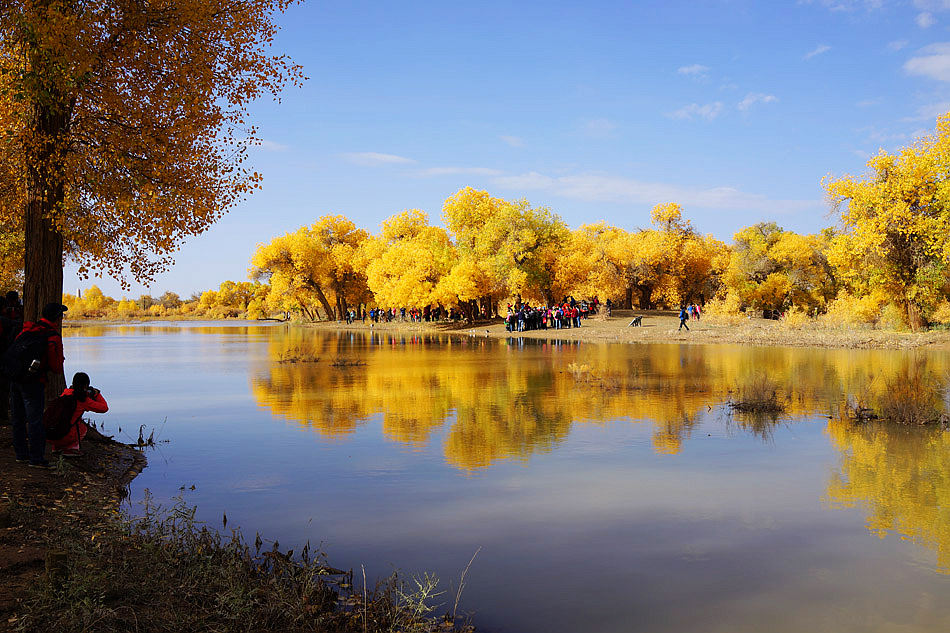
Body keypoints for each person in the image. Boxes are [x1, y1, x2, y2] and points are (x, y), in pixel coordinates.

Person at [9, 302, 67, 468]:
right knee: (35, 421)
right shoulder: (52, 336)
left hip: (15, 379)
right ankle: (37, 459)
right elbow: (57, 368)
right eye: (61, 315)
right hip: (33, 383)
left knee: (18, 419)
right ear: (57, 318)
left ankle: (21, 454)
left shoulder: (27, 329)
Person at [48, 372, 108, 457]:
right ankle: (70, 449)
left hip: (50, 435)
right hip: (64, 436)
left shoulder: (65, 393)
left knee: (67, 422)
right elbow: (104, 408)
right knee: (82, 428)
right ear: (86, 385)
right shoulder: (83, 400)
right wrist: (97, 394)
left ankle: (57, 447)